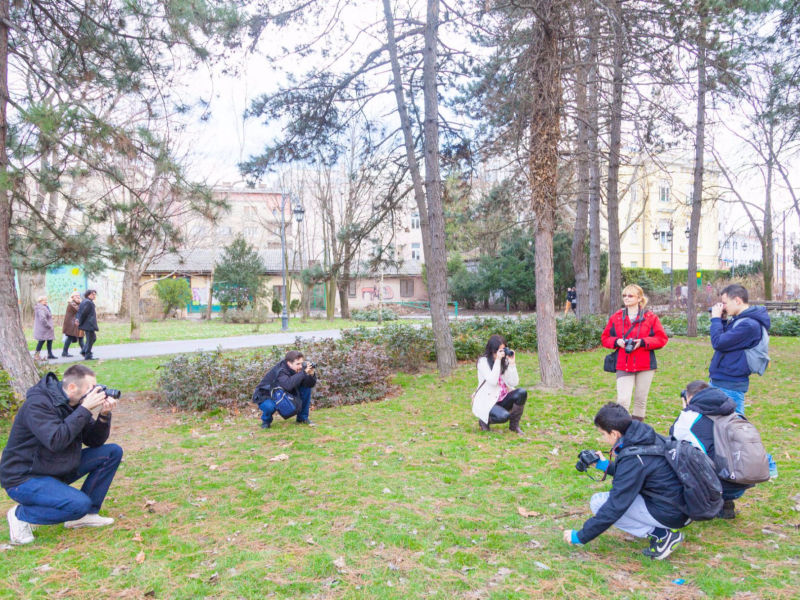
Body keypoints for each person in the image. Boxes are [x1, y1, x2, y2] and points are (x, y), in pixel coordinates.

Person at [1, 365, 122, 545]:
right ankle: (20, 515)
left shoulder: (74, 403)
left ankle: (86, 516)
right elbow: (56, 440)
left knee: (111, 452)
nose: (94, 393)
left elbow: (94, 441)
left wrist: (104, 415)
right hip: (24, 477)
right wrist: (85, 409)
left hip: (54, 466)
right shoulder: (38, 405)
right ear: (72, 387)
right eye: (90, 389)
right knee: (78, 504)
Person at [562, 402, 689, 560]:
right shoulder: (644, 436)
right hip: (683, 504)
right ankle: (661, 527)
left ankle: (663, 535)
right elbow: (637, 474)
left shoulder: (634, 457)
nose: (602, 438)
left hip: (672, 513)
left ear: (614, 433)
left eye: (603, 434)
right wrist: (605, 466)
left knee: (599, 502)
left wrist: (581, 536)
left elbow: (616, 505)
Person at [708, 283, 776, 477]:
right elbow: (724, 342)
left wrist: (715, 319)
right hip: (724, 378)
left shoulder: (748, 325)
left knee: (737, 429)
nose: (723, 307)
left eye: (724, 302)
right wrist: (721, 320)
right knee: (725, 427)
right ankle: (729, 462)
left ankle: (766, 463)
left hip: (731, 382)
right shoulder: (740, 320)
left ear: (737, 300)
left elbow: (718, 342)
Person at [670, 380, 750, 520]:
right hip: (744, 481)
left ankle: (696, 508)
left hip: (716, 486)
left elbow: (672, 443)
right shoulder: (733, 413)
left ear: (689, 397)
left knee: (676, 453)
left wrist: (685, 409)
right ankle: (725, 504)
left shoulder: (689, 418)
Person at [601, 284, 668, 420]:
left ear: (639, 298)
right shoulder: (617, 317)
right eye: (624, 295)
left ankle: (637, 432)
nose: (626, 298)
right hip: (623, 363)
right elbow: (605, 338)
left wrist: (643, 342)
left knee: (640, 400)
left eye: (630, 296)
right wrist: (616, 341)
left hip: (645, 364)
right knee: (623, 400)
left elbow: (662, 339)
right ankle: (622, 431)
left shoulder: (650, 317)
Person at [471, 334, 527, 434]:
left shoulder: (504, 360)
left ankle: (514, 426)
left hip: (502, 398)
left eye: (504, 349)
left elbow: (514, 382)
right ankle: (484, 421)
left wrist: (512, 364)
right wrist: (497, 360)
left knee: (522, 392)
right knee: (504, 417)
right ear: (493, 350)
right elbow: (492, 381)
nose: (503, 352)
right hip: (487, 401)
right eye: (500, 350)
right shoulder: (483, 362)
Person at [253, 350, 317, 429]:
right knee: (269, 407)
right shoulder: (281, 370)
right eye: (298, 364)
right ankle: (266, 421)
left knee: (306, 388)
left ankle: (302, 418)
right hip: (267, 394)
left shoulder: (298, 369)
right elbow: (288, 385)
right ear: (289, 363)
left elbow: (310, 384)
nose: (301, 366)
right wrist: (303, 373)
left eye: (302, 363)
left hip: (281, 391)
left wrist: (311, 374)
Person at [62, 291, 85, 358]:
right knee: (70, 337)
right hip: (71, 324)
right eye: (76, 295)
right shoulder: (72, 303)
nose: (78, 296)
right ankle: (64, 352)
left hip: (75, 323)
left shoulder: (76, 303)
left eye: (78, 295)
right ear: (72, 297)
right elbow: (79, 310)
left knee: (80, 337)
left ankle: (84, 351)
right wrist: (82, 303)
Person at [33, 295, 57, 360]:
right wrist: (48, 325)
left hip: (46, 329)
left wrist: (50, 317)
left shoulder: (45, 307)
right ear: (40, 301)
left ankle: (50, 354)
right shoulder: (41, 308)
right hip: (44, 328)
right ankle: (36, 355)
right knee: (41, 341)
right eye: (44, 300)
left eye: (46, 300)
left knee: (49, 340)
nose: (46, 301)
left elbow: (47, 315)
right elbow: (42, 318)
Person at [77, 289, 99, 360]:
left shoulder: (84, 301)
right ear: (88, 295)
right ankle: (87, 355)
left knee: (93, 338)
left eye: (95, 294)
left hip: (87, 324)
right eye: (92, 294)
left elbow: (80, 312)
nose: (94, 296)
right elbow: (83, 313)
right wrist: (80, 322)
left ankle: (84, 351)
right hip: (88, 324)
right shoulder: (88, 302)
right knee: (90, 339)